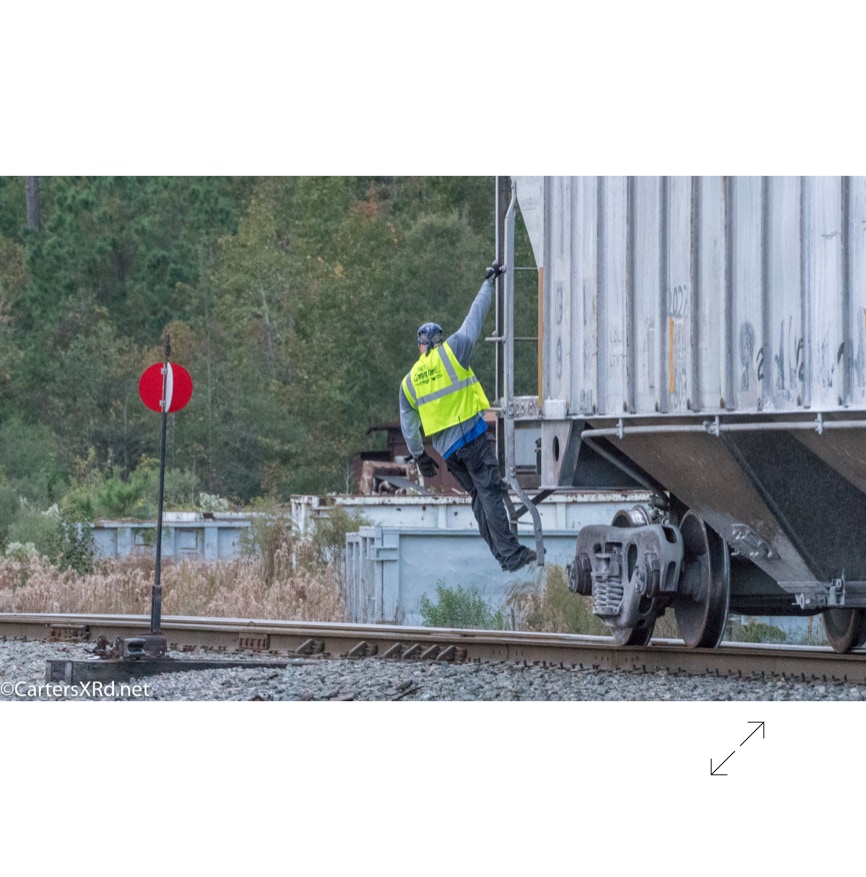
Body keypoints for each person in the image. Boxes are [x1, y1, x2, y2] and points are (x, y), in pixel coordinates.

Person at [399, 261, 537, 573]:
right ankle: (512, 554)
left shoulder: (409, 381)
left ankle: (502, 556)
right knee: (490, 492)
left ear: (420, 347)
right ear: (439, 339)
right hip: (472, 439)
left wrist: (419, 456)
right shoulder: (454, 350)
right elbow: (475, 316)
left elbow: (408, 425)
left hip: (449, 452)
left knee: (477, 497)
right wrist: (489, 282)